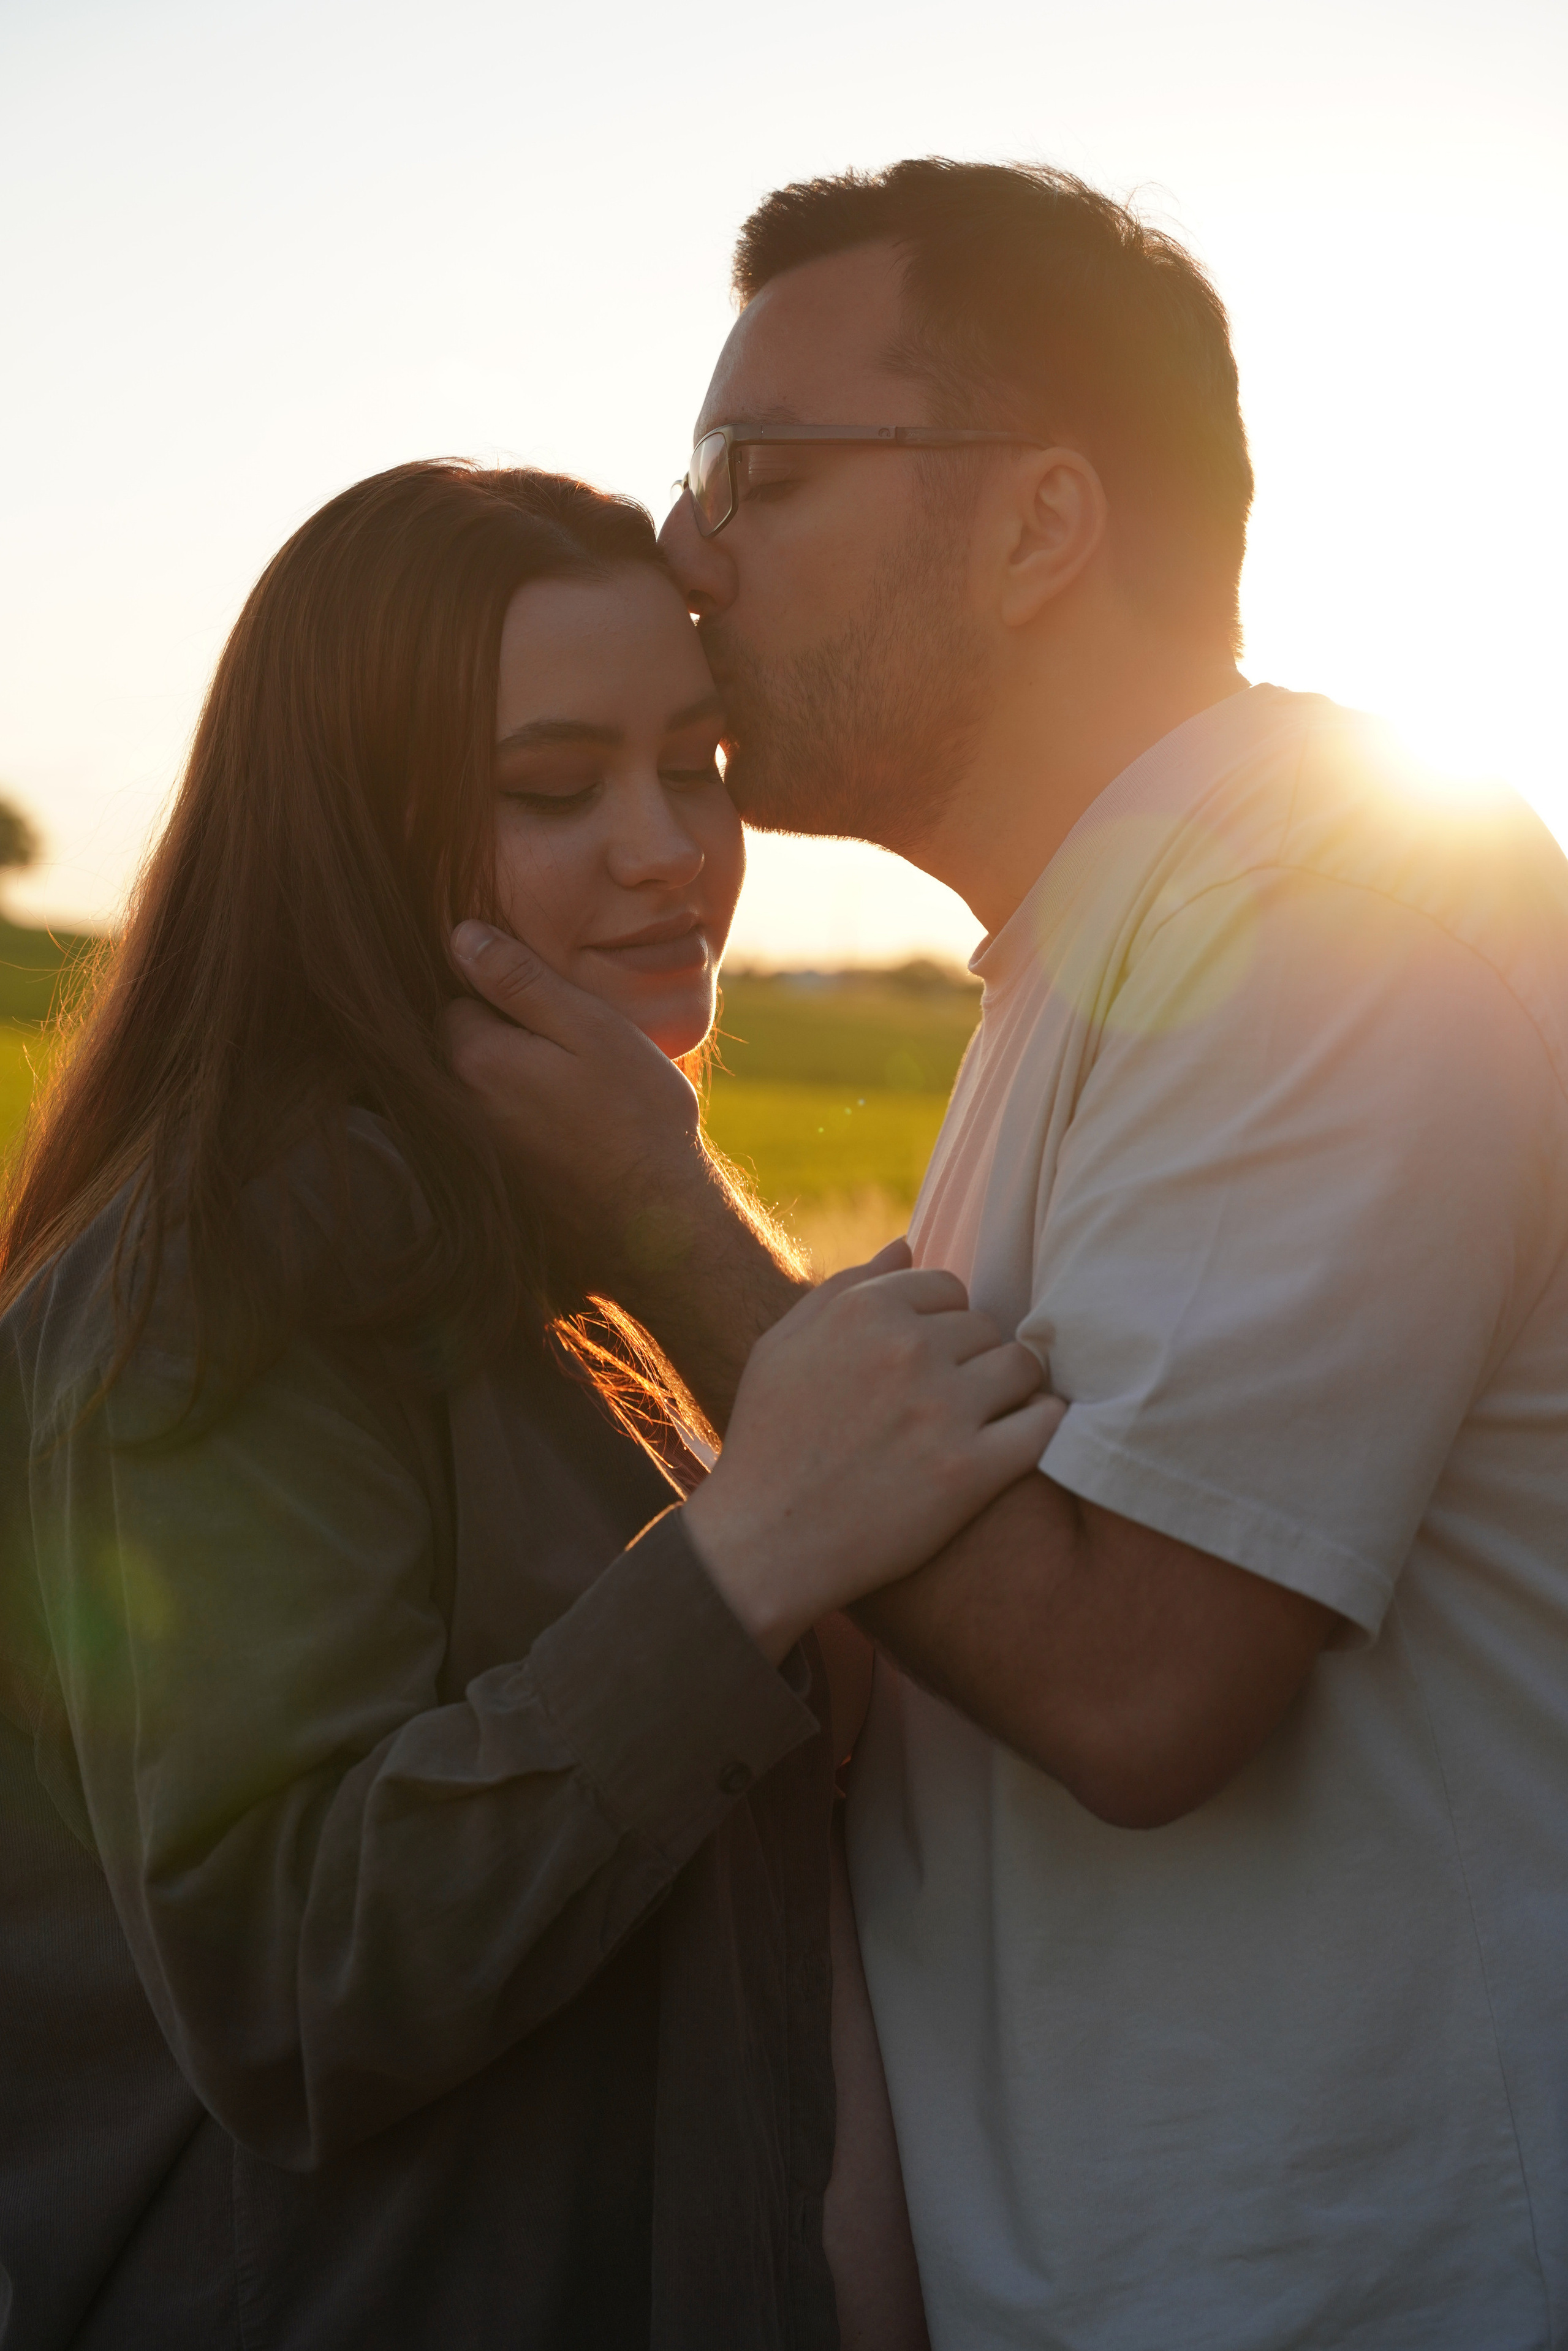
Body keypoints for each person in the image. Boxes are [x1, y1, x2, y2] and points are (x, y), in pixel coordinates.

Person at [449, 163, 1568, 2349]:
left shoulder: (1326, 907)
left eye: (758, 471)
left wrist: (656, 1216)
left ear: (1044, 523)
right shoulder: (1107, 948)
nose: (689, 547)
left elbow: (1141, 1685)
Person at [0, 458, 1057, 2348]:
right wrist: (749, 1557)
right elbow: (288, 1981)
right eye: (555, 789)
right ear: (354, 836)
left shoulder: (536, 1248)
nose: (669, 850)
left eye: (696, 763)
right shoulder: (238, 1274)